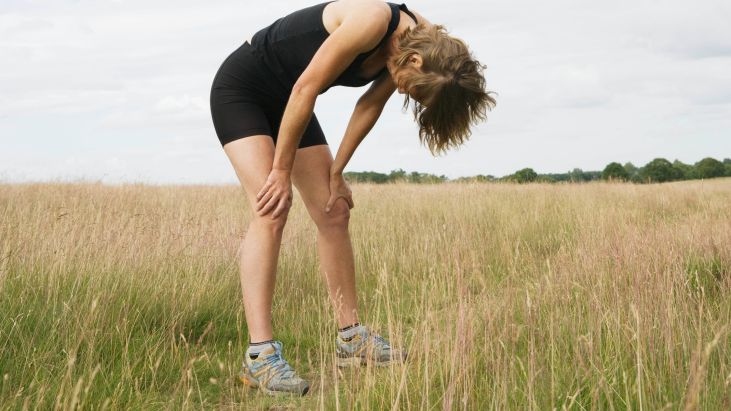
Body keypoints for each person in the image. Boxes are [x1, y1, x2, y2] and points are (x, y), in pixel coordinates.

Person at [209, 0, 495, 396]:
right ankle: (260, 356)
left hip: (291, 99)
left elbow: (368, 104)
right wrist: (279, 171)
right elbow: (306, 87)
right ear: (413, 60)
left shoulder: (430, 51)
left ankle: (352, 338)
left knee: (334, 209)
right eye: (413, 90)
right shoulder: (371, 20)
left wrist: (337, 172)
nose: (407, 95)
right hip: (243, 89)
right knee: (273, 207)